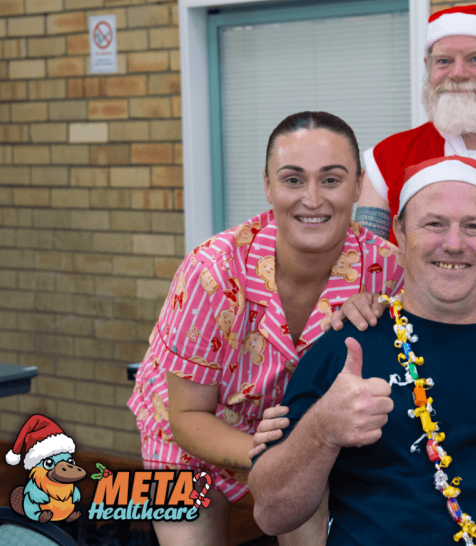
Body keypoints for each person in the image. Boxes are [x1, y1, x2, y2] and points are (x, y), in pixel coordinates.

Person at [249, 156, 476, 544]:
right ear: (400, 232)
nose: (455, 244)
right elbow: (272, 513)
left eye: (474, 226)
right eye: (434, 224)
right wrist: (322, 429)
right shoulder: (345, 347)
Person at [128, 111, 403, 545]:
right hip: (188, 441)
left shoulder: (388, 271)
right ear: (268, 185)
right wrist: (272, 452)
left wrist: (382, 312)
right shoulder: (212, 271)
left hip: (302, 443)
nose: (312, 199)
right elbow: (186, 416)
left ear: (357, 186)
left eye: (331, 180)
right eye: (293, 180)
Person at [356, 4, 476, 305]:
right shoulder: (386, 157)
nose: (457, 73)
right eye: (444, 61)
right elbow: (363, 263)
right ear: (428, 67)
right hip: (414, 344)